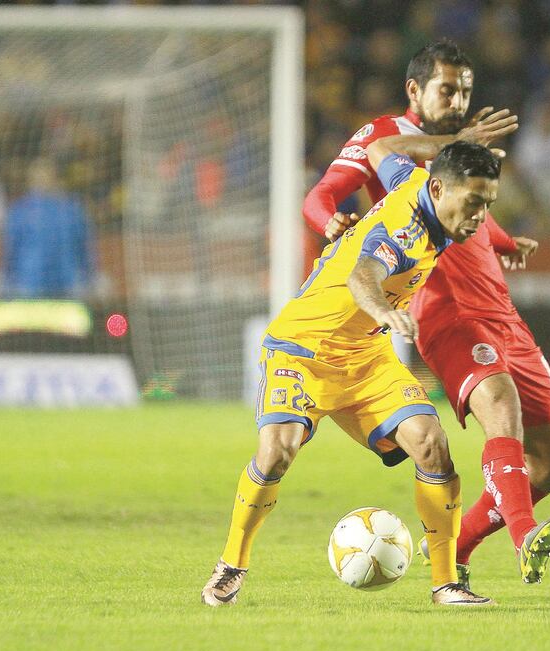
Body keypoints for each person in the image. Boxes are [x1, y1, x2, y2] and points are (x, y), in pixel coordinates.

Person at [202, 124, 517, 607]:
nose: (479, 216)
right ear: (439, 190)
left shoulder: (415, 182)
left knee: (431, 444)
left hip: (365, 358)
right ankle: (232, 564)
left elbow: (381, 148)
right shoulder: (407, 232)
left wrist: (452, 146)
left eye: (487, 204)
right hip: (302, 350)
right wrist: (384, 311)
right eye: (473, 202)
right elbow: (362, 276)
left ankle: (446, 583)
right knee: (277, 452)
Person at [303, 40, 550, 589]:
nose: (458, 102)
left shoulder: (459, 152)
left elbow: (466, 205)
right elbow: (321, 195)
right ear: (415, 89)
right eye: (447, 90)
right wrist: (328, 222)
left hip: (500, 308)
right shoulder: (388, 137)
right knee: (500, 405)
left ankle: (457, 547)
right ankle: (525, 536)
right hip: (446, 309)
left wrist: (503, 241)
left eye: (465, 92)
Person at [1, 158, 94, 299]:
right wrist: (7, 284)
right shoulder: (20, 211)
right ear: (30, 180)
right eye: (38, 176)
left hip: (67, 283)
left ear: (55, 178)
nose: (42, 180)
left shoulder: (72, 210)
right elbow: (10, 250)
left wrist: (89, 279)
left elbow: (84, 247)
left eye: (46, 175)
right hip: (30, 284)